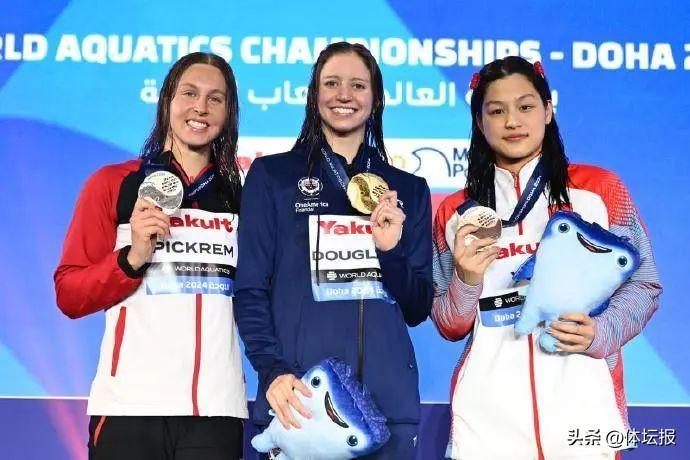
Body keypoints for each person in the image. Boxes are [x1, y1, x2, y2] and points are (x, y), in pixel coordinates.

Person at [431, 56, 661, 459]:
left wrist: (601, 332)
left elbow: (645, 284)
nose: (512, 121)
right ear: (479, 122)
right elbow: (450, 324)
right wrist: (467, 280)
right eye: (496, 111)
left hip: (585, 412)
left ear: (548, 110)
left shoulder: (599, 189)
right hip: (487, 424)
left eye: (525, 106)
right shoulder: (455, 212)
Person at [234, 42, 433, 459]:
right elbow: (250, 289)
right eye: (332, 83)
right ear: (314, 94)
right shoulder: (272, 177)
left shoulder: (409, 190)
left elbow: (417, 307)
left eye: (358, 85)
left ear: (375, 98)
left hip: (388, 410)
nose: (344, 95)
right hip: (302, 405)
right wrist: (273, 371)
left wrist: (390, 251)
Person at [54, 52, 246, 460]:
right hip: (130, 408)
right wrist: (132, 258)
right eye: (189, 93)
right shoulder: (114, 183)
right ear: (167, 101)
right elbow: (70, 294)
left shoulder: (242, 195)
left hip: (216, 410)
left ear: (229, 112)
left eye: (215, 98)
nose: (200, 107)